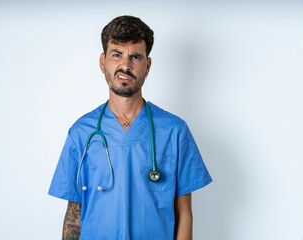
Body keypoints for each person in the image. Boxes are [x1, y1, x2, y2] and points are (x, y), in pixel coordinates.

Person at [49, 15, 212, 240]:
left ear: (147, 65)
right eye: (117, 54)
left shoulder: (175, 131)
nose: (125, 65)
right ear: (102, 61)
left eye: (135, 56)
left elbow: (184, 214)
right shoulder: (81, 132)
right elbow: (73, 215)